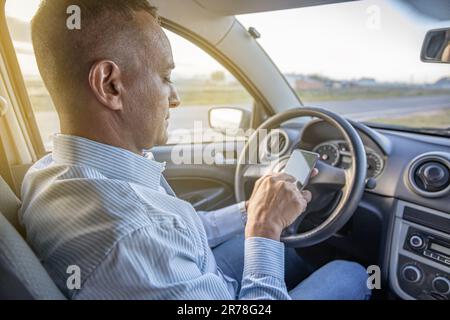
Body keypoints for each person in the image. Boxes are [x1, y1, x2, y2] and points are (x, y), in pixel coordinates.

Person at [20, 0, 371, 300]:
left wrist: (254, 209)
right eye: (165, 77)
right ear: (110, 85)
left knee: (293, 256)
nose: (175, 98)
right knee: (350, 272)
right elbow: (154, 233)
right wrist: (265, 228)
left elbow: (178, 228)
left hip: (197, 282)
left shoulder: (49, 170)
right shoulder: (135, 236)